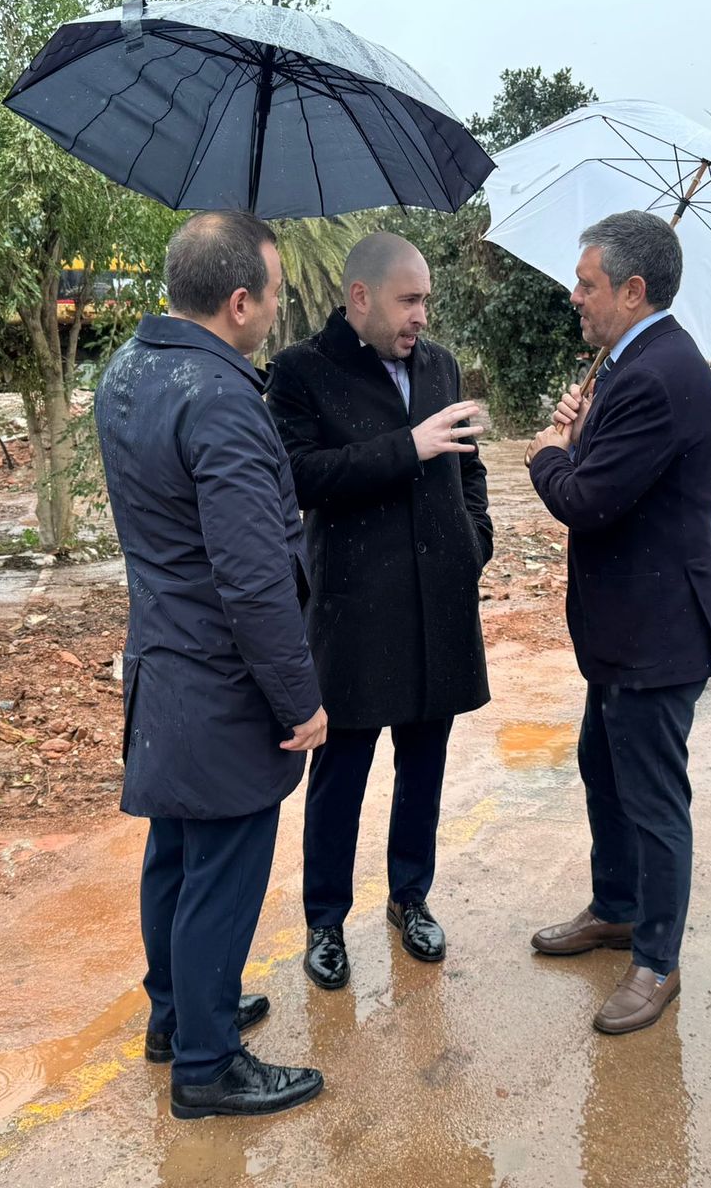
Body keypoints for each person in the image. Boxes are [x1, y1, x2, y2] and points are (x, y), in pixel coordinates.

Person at [96, 211, 328, 1117]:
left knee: (176, 853)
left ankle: (178, 1013)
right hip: (222, 679)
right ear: (239, 301)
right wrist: (299, 699)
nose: (275, 310)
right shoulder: (222, 398)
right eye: (272, 294)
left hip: (163, 663)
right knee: (223, 872)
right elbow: (253, 575)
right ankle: (208, 1063)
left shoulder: (130, 368)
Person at [522, 210, 711, 1035]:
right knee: (604, 767)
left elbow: (587, 500)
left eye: (587, 284)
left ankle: (656, 961)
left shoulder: (658, 375)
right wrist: (583, 429)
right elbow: (610, 468)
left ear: (633, 289)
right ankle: (615, 909)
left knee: (652, 799)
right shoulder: (633, 365)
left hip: (658, 631)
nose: (575, 297)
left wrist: (549, 452)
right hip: (625, 628)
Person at [267, 232, 492, 990]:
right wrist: (407, 446)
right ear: (359, 297)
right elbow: (298, 476)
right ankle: (325, 921)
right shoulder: (301, 371)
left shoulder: (439, 365)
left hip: (440, 605)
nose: (422, 316)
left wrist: (475, 540)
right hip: (356, 613)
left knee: (424, 767)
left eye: (426, 300)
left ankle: (410, 897)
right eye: (409, 301)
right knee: (342, 776)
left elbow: (468, 465)